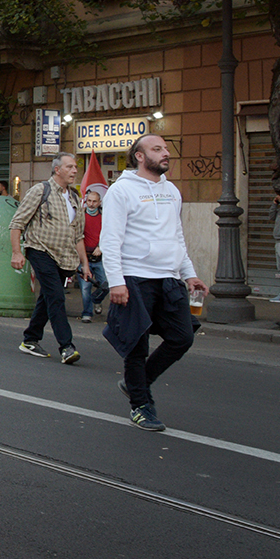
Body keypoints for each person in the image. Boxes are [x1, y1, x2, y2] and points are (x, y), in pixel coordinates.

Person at [104, 134, 205, 433]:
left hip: (169, 278)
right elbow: (111, 241)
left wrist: (189, 273)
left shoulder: (172, 191)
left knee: (182, 337)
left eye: (165, 149)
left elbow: (176, 236)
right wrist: (116, 282)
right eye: (157, 149)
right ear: (138, 156)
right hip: (135, 278)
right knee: (137, 345)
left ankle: (137, 382)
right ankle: (141, 405)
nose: (166, 154)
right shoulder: (121, 191)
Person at [9, 153, 90, 364]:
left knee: (47, 298)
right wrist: (17, 252)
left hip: (64, 257)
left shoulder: (74, 197)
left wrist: (85, 264)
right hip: (40, 250)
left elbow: (78, 235)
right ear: (57, 170)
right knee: (56, 296)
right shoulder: (40, 191)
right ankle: (67, 346)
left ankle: (30, 339)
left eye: (75, 167)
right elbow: (17, 223)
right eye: (70, 167)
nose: (74, 171)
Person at [78, 182, 109, 322]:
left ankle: (97, 300)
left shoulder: (105, 217)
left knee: (105, 285)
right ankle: (87, 313)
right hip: (84, 258)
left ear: (99, 202)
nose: (91, 204)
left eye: (94, 201)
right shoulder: (80, 217)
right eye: (89, 201)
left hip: (100, 258)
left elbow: (108, 234)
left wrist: (100, 247)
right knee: (85, 288)